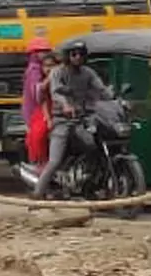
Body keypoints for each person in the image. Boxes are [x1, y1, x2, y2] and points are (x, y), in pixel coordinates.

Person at [32, 40, 113, 199]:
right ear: (67, 56)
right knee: (54, 161)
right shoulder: (58, 72)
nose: (77, 57)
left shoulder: (88, 73)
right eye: (74, 54)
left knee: (94, 145)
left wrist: (115, 98)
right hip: (62, 120)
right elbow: (56, 92)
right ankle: (37, 194)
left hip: (85, 118)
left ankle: (91, 180)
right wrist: (65, 105)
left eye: (81, 54)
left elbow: (101, 89)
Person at [22, 38, 53, 164]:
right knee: (39, 135)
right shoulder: (34, 70)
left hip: (44, 108)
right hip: (37, 110)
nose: (44, 54)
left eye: (46, 51)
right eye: (41, 51)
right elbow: (38, 94)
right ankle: (41, 162)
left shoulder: (42, 68)